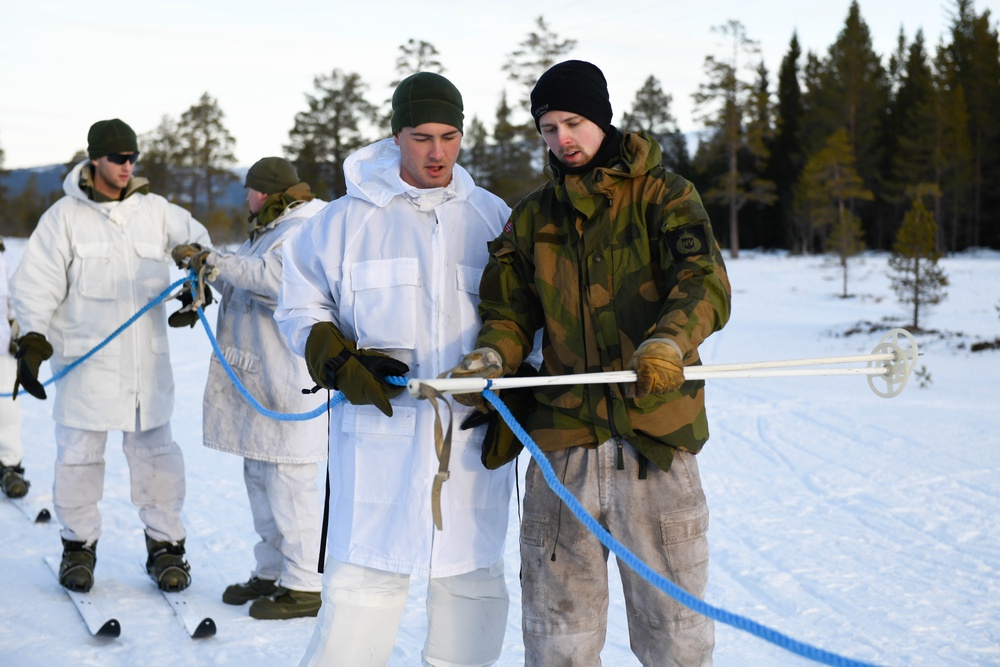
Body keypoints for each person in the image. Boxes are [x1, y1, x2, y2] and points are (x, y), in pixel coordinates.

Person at [452, 60, 732, 666]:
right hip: (565, 453)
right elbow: (508, 312)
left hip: (654, 444)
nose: (562, 141)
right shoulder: (530, 218)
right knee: (559, 641)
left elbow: (703, 283)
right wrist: (488, 358)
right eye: (548, 128)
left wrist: (668, 343)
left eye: (573, 123)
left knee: (676, 638)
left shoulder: (666, 195)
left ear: (602, 118)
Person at [275, 72, 514, 667]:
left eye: (450, 137)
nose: (437, 153)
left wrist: (515, 387)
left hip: (468, 435)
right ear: (395, 136)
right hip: (377, 435)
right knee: (360, 591)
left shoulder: (492, 218)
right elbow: (300, 304)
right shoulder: (344, 220)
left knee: (472, 584)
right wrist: (332, 355)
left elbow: (523, 315)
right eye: (422, 137)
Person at [9, 118, 211, 593]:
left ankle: (165, 549)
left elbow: (201, 246)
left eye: (132, 158)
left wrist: (194, 270)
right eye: (119, 158)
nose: (127, 166)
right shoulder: (64, 218)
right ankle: (78, 548)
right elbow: (34, 284)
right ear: (94, 158)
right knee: (78, 460)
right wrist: (33, 338)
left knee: (158, 461)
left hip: (147, 367)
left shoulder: (156, 211)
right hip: (87, 366)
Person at [170, 157, 328, 620]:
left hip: (289, 382)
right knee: (260, 479)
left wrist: (212, 261)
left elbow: (277, 281)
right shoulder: (270, 228)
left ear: (266, 191)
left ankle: (304, 585)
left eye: (249, 190)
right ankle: (271, 570)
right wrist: (205, 280)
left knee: (289, 484)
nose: (246, 198)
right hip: (260, 383)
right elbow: (246, 277)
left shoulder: (303, 228)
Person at [1, 237, 29, 499]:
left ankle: (10, 468)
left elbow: (11, 295)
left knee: (7, 411)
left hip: (1, 348)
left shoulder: (2, 256)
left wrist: (16, 328)